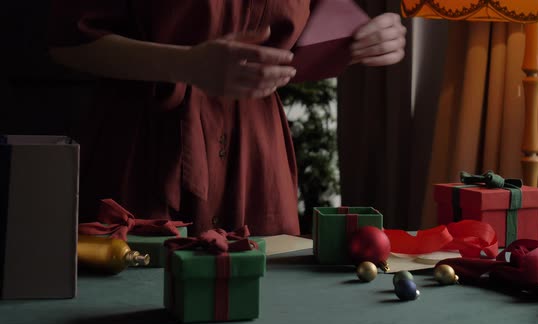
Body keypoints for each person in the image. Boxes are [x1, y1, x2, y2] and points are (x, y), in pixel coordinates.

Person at [48, 1, 406, 236]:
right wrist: (186, 64)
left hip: (256, 155)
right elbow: (67, 42)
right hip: (144, 144)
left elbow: (307, 33)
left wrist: (364, 40)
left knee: (266, 300)